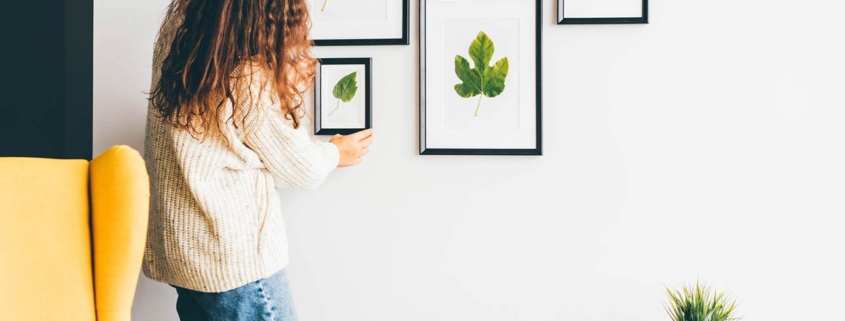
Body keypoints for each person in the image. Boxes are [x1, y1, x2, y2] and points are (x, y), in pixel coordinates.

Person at [142, 0, 373, 320]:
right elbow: (300, 168)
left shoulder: (178, 40)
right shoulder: (248, 75)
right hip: (237, 267)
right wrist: (335, 151)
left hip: (182, 256)